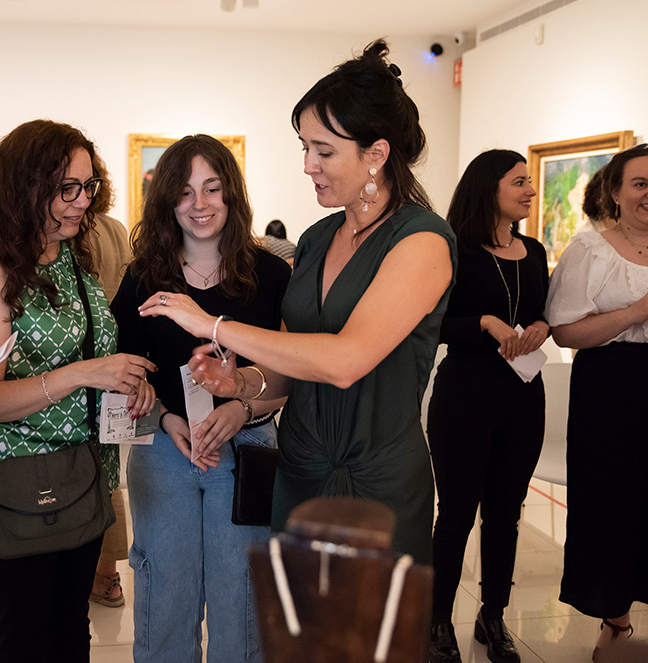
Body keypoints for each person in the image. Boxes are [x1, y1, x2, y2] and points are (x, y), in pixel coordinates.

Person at [137, 40, 456, 564]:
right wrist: (240, 383)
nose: (308, 165)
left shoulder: (421, 242)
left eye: (324, 151)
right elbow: (290, 370)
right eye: (304, 148)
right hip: (301, 469)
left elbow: (345, 361)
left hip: (374, 481)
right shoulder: (316, 239)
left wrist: (211, 324)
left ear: (376, 155)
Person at [0, 119, 156, 662]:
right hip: (21, 481)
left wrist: (127, 384)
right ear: (25, 189)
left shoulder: (72, 260)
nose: (83, 201)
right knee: (25, 637)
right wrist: (84, 373)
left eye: (88, 186)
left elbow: (95, 354)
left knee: (70, 631)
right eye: (67, 189)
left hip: (85, 472)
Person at [111, 134, 291, 662]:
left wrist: (241, 406)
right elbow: (126, 371)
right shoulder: (144, 277)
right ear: (168, 200)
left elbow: (290, 372)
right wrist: (166, 418)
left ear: (231, 194)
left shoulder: (271, 275)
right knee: (164, 594)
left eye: (212, 189)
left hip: (248, 449)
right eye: (185, 192)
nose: (200, 204)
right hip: (165, 452)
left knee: (243, 598)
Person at [545, 143, 648, 661]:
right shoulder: (590, 250)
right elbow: (564, 332)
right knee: (611, 504)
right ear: (616, 192)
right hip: (609, 389)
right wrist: (631, 313)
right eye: (641, 184)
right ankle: (616, 618)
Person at [426, 150, 550, 663]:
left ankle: (492, 615)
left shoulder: (535, 250)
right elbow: (430, 322)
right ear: (488, 187)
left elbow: (542, 312)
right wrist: (482, 322)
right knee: (455, 514)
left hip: (523, 397)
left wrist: (542, 326)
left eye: (529, 181)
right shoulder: (452, 249)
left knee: (505, 515)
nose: (530, 190)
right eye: (519, 181)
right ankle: (438, 621)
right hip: (465, 397)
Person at [83, 151, 133, 608]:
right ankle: (109, 575)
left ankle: (95, 575)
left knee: (88, 471)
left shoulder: (76, 233)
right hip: (118, 359)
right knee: (110, 470)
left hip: (87, 365)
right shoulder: (116, 228)